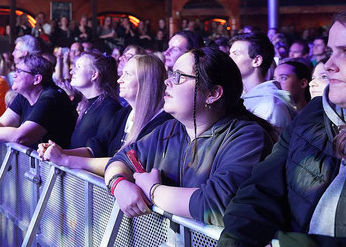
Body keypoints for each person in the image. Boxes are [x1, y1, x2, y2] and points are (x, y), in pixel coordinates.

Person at [219, 4, 346, 246]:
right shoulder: (314, 114)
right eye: (331, 51)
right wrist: (237, 241)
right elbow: (259, 189)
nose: (329, 64)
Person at [104, 47, 275, 226]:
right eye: (171, 75)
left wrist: (152, 190)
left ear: (213, 94)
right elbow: (121, 159)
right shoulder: (170, 129)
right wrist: (119, 184)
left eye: (178, 77)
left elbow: (217, 203)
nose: (167, 82)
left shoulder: (247, 137)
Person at [38, 54, 171, 176]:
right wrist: (59, 151)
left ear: (146, 81)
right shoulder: (123, 114)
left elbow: (126, 164)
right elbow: (95, 149)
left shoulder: (163, 123)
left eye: (128, 74)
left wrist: (66, 160)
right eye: (122, 73)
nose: (120, 80)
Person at [0, 54, 76, 148]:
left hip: (64, 176)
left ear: (37, 79)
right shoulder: (24, 95)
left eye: (20, 71)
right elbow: (2, 123)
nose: (14, 75)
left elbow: (21, 136)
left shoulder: (50, 98)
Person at [229, 32, 296, 131]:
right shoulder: (243, 96)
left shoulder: (269, 106)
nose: (229, 58)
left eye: (236, 54)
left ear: (256, 61)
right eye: (230, 53)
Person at [66, 53, 121, 148]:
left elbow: (100, 151)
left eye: (78, 67)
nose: (72, 72)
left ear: (94, 75)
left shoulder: (109, 107)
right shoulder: (87, 104)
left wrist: (62, 154)